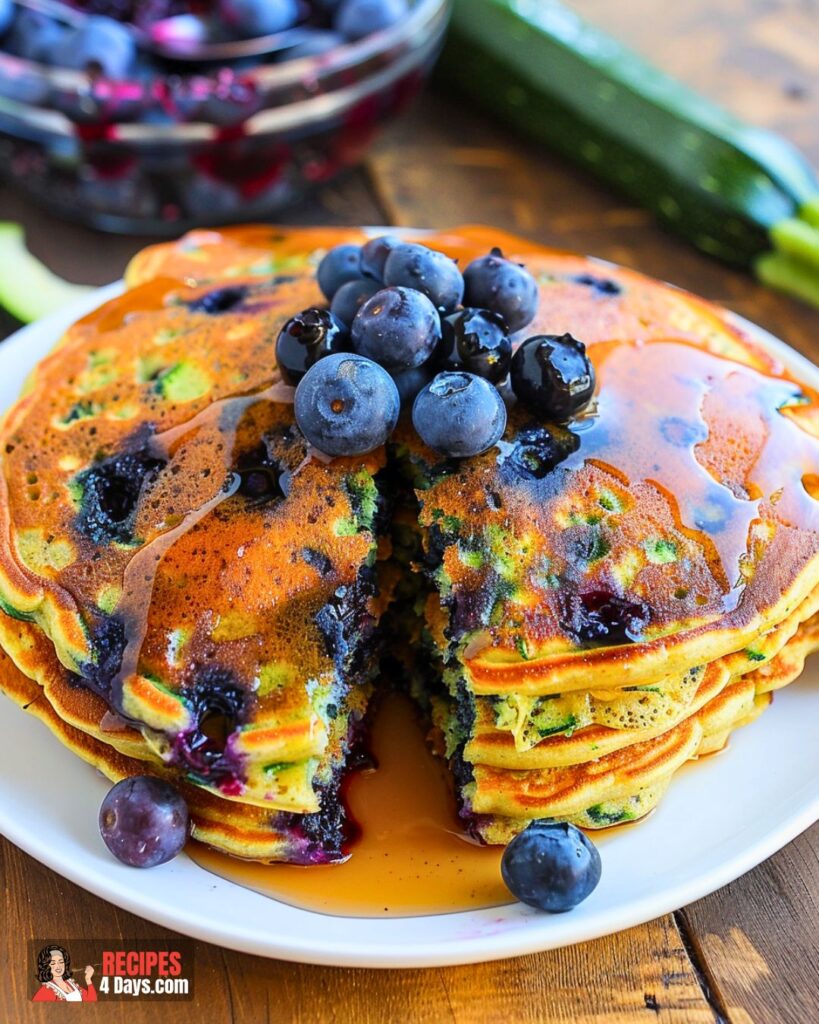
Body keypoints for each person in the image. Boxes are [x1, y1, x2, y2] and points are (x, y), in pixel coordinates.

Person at [32, 945, 97, 1002]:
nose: (58, 966)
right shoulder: (47, 990)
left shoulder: (70, 983)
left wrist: (88, 979)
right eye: (53, 963)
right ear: (46, 966)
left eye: (61, 962)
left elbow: (91, 1001)